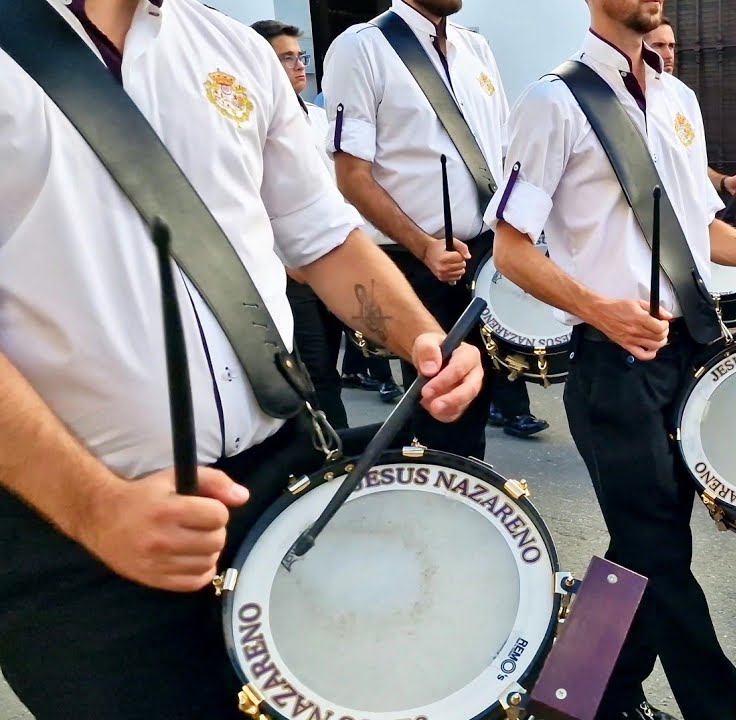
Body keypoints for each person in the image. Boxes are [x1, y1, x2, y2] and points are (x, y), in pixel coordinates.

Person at [0, 1, 484, 718]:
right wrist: (95, 509)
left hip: (279, 477)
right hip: (73, 529)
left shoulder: (232, 48)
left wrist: (419, 336)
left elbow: (320, 237)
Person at [487, 1, 736, 715]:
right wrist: (598, 309)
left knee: (647, 545)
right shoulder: (554, 101)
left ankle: (585, 695)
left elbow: (703, 231)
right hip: (615, 363)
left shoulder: (679, 99)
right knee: (660, 551)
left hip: (688, 351)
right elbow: (511, 250)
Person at [322, 0, 548, 459]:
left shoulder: (476, 48)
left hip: (485, 255)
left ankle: (466, 484)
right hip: (421, 261)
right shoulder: (361, 47)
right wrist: (424, 247)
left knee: (482, 397)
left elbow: (502, 154)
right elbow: (352, 177)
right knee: (441, 411)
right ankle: (440, 490)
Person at [252, 19, 352, 428]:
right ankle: (336, 446)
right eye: (286, 58)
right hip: (290, 268)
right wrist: (283, 260)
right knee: (315, 367)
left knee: (332, 359)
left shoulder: (319, 117)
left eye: (300, 56)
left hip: (331, 258)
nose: (299, 66)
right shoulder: (251, 122)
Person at [644, 16, 736, 211]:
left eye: (672, 46)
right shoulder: (630, 100)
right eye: (659, 46)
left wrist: (724, 182)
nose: (668, 54)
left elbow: (692, 162)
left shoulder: (684, 96)